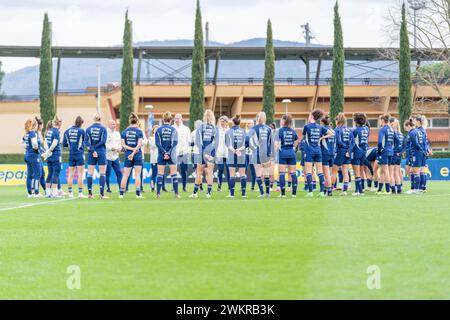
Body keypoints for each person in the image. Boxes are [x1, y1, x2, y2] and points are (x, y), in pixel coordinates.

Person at [303, 109, 334, 197]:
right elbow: (332, 134)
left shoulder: (307, 126)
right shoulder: (320, 127)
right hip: (318, 151)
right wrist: (321, 138)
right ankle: (321, 192)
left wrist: (321, 138)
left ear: (312, 116)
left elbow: (304, 137)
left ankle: (310, 192)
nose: (308, 117)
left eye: (309, 116)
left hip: (309, 151)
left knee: (308, 172)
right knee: (320, 172)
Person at [190, 110, 217, 198]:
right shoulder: (215, 128)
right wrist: (211, 154)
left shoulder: (200, 128)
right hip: (211, 155)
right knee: (210, 173)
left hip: (202, 154)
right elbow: (215, 143)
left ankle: (195, 193)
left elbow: (198, 142)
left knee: (199, 173)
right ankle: (208, 193)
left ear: (204, 117)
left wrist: (204, 153)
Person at [119, 113, 144, 198]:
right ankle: (138, 194)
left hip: (128, 154)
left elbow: (123, 145)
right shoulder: (139, 131)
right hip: (137, 154)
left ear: (129, 121)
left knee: (125, 175)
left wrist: (131, 152)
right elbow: (139, 144)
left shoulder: (124, 131)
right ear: (137, 121)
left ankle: (121, 194)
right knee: (137, 175)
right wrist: (134, 151)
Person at [155, 111, 180, 198]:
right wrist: (168, 153)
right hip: (171, 154)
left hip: (161, 154)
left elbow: (157, 143)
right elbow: (175, 143)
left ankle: (158, 194)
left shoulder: (158, 130)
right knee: (174, 174)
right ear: (171, 120)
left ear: (163, 119)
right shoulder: (174, 130)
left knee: (160, 174)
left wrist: (164, 152)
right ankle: (176, 194)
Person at [62, 116, 87, 198]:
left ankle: (70, 193)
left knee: (70, 174)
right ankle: (80, 193)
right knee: (80, 174)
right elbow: (85, 141)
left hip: (71, 154)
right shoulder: (81, 131)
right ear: (81, 123)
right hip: (79, 154)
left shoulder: (67, 131)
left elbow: (64, 144)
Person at [275, 114, 299, 198]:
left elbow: (276, 144)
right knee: (293, 173)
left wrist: (279, 148)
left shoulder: (280, 131)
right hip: (291, 153)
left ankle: (283, 194)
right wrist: (293, 148)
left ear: (284, 121)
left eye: (281, 120)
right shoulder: (293, 131)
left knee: (282, 173)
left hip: (283, 153)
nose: (280, 121)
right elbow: (296, 141)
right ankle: (294, 194)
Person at [85, 113, 108, 199]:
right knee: (102, 173)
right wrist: (96, 149)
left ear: (93, 119)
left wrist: (92, 150)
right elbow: (103, 141)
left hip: (91, 152)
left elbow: (86, 142)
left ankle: (90, 194)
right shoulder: (103, 129)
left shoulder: (88, 129)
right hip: (101, 151)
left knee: (90, 173)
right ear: (100, 119)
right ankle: (102, 194)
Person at [249, 111, 272, 197]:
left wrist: (253, 148)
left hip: (257, 152)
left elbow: (247, 140)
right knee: (266, 173)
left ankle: (262, 193)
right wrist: (269, 153)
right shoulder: (268, 129)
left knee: (258, 173)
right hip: (266, 153)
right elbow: (270, 142)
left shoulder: (254, 128)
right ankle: (267, 193)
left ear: (257, 118)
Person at [225, 114, 248, 198]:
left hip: (232, 155)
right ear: (239, 122)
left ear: (232, 122)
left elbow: (228, 144)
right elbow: (246, 144)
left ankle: (232, 194)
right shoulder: (243, 131)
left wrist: (234, 150)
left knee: (232, 175)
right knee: (243, 174)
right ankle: (243, 194)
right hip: (241, 154)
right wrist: (239, 150)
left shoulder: (228, 131)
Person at [331, 113, 353, 196]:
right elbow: (353, 143)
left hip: (340, 152)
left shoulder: (337, 130)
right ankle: (345, 191)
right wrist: (348, 151)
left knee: (334, 172)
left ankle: (330, 190)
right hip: (347, 153)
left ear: (338, 121)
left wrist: (343, 148)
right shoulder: (349, 130)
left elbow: (338, 141)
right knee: (345, 172)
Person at [407, 115, 428, 194]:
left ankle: (416, 189)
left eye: (415, 121)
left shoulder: (415, 131)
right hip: (422, 153)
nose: (413, 122)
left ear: (418, 122)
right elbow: (425, 142)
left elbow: (415, 143)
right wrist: (424, 150)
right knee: (421, 170)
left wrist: (421, 149)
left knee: (416, 171)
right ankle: (422, 188)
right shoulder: (421, 131)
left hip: (417, 153)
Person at [43, 116, 63, 198]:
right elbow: (55, 143)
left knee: (50, 173)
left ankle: (47, 192)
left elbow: (45, 142)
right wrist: (50, 150)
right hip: (55, 154)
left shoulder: (49, 131)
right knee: (56, 173)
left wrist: (47, 151)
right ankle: (54, 192)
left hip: (49, 155)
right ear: (59, 124)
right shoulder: (56, 131)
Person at [351, 113, 369, 196]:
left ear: (356, 121)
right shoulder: (366, 129)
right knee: (361, 171)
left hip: (357, 152)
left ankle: (358, 191)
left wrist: (348, 152)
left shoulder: (355, 130)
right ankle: (360, 190)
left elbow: (352, 143)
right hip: (364, 152)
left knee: (356, 172)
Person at [376, 113, 395, 195]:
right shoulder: (391, 129)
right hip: (391, 151)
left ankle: (387, 190)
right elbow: (396, 140)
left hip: (385, 151)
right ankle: (380, 189)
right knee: (384, 171)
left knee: (385, 171)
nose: (379, 122)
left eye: (380, 120)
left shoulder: (383, 129)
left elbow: (380, 142)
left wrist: (380, 150)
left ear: (383, 120)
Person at [23, 119, 42, 197]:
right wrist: (38, 151)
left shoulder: (26, 134)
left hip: (27, 155)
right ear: (34, 125)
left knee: (30, 175)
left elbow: (23, 143)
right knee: (37, 174)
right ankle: (36, 193)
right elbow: (35, 145)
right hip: (33, 156)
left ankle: (30, 193)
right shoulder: (32, 133)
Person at [173, 113, 191, 192]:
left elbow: (189, 140)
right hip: (174, 152)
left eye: (178, 118)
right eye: (176, 118)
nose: (177, 119)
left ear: (181, 119)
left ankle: (184, 186)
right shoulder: (172, 128)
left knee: (184, 170)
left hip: (184, 152)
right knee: (173, 170)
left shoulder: (186, 128)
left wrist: (188, 150)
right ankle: (174, 187)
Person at [105, 119, 123, 193]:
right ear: (108, 125)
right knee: (107, 173)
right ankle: (108, 188)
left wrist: (120, 148)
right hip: (107, 156)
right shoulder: (105, 133)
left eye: (115, 124)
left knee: (119, 172)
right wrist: (110, 148)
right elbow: (104, 144)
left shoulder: (117, 134)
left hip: (115, 156)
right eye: (112, 124)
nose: (114, 125)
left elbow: (120, 144)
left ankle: (121, 188)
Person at [320, 115, 335, 196]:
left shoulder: (323, 131)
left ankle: (329, 191)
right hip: (332, 154)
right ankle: (327, 190)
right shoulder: (333, 130)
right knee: (329, 173)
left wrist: (321, 138)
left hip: (325, 154)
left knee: (326, 174)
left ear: (322, 122)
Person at [215, 116, 230, 192]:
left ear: (227, 122)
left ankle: (230, 186)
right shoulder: (217, 130)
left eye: (223, 121)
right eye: (221, 121)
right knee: (220, 170)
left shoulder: (230, 131)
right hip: (219, 154)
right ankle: (219, 186)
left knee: (228, 170)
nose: (222, 123)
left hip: (228, 154)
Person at [390, 118, 404, 194]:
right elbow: (403, 145)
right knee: (397, 172)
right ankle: (399, 188)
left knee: (391, 172)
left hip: (394, 154)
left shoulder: (393, 133)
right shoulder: (401, 134)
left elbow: (394, 143)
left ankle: (393, 189)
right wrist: (400, 152)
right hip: (399, 155)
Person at [245, 120, 256, 191]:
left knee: (253, 171)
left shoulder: (255, 132)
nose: (249, 124)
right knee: (243, 170)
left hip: (253, 153)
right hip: (245, 153)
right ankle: (243, 187)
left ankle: (252, 187)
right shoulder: (245, 132)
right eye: (248, 123)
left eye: (251, 123)